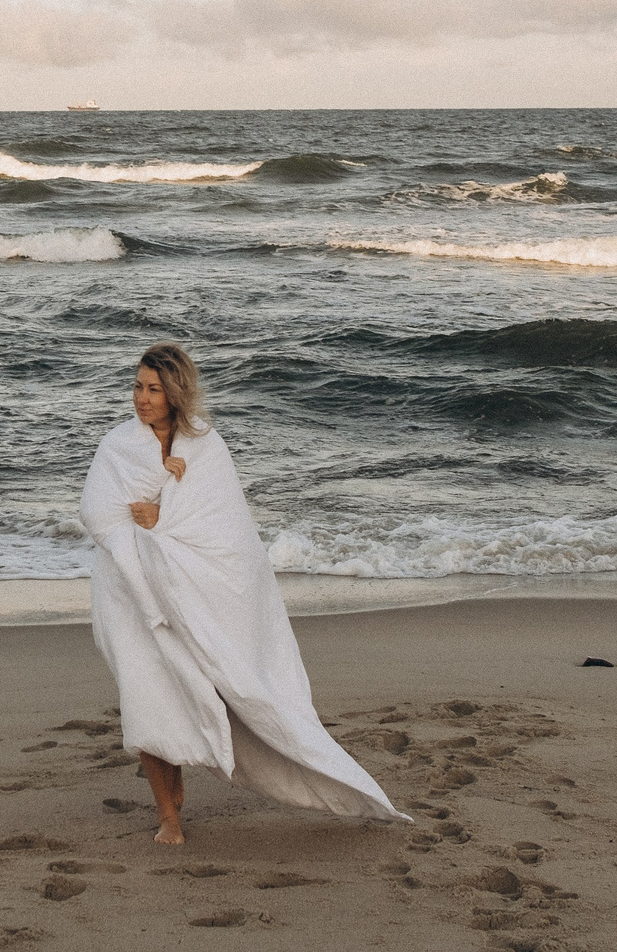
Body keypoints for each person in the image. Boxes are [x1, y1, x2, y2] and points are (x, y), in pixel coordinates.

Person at [79, 343, 407, 844]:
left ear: (175, 394)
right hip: (127, 588)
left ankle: (199, 775)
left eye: (154, 389)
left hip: (189, 589)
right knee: (145, 693)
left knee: (203, 687)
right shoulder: (118, 446)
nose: (142, 399)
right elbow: (99, 514)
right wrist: (149, 498)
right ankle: (168, 814)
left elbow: (225, 529)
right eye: (138, 387)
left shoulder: (205, 446)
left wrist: (165, 517)